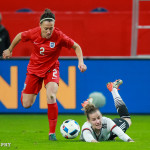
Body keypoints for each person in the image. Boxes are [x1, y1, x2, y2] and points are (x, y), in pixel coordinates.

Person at [2, 9, 87, 141]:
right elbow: (19, 36)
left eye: (51, 28)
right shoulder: (33, 33)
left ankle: (51, 133)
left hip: (51, 69)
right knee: (26, 104)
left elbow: (76, 46)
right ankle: (26, 91)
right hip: (34, 70)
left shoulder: (59, 36)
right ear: (40, 26)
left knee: (51, 96)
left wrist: (80, 62)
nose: (48, 31)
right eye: (46, 28)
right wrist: (9, 49)